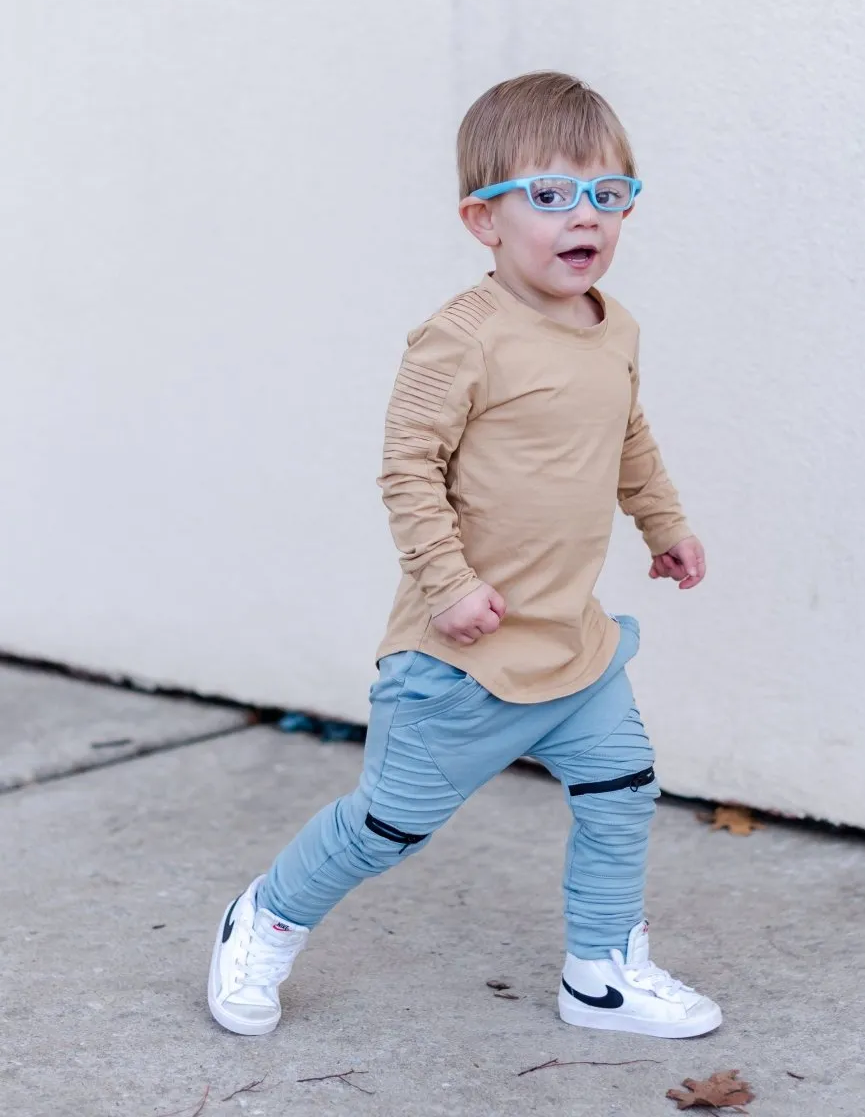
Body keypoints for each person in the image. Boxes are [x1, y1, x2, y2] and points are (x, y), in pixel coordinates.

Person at [207, 71, 720, 1040]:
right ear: (482, 220)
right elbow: (408, 469)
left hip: (573, 645)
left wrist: (665, 525)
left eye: (611, 195)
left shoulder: (615, 328)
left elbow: (629, 438)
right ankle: (265, 917)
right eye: (553, 195)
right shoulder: (461, 339)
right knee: (389, 828)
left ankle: (603, 971)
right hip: (460, 653)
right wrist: (448, 585)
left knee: (621, 791)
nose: (589, 218)